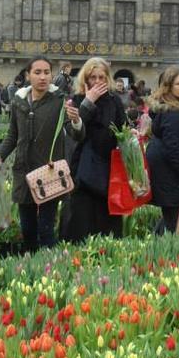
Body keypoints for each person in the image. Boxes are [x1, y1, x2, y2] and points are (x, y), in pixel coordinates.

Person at [0, 57, 84, 251]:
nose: (43, 77)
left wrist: (76, 121)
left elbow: (77, 134)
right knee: (27, 228)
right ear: (28, 75)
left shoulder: (60, 101)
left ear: (52, 75)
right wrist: (0, 155)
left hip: (48, 172)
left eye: (46, 72)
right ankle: (30, 268)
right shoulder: (19, 101)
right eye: (37, 72)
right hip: (24, 171)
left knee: (46, 227)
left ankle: (49, 269)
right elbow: (12, 135)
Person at [61, 58, 127, 242]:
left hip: (107, 166)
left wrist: (131, 133)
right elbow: (74, 132)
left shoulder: (114, 101)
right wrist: (89, 102)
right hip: (83, 166)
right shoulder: (77, 99)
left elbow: (123, 128)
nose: (97, 82)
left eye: (101, 77)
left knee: (106, 219)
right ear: (86, 79)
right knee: (80, 217)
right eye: (93, 77)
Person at [146, 67, 179, 233]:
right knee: (175, 219)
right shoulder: (173, 112)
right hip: (170, 173)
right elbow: (172, 147)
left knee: (172, 216)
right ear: (168, 87)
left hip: (168, 171)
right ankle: (169, 253)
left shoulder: (172, 107)